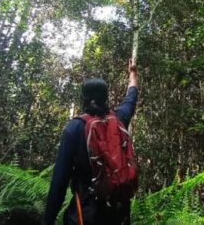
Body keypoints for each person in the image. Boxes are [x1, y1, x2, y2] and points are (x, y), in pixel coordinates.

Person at [43, 60, 139, 225]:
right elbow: (131, 98)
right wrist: (133, 75)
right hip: (119, 213)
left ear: (84, 99)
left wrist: (48, 221)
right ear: (106, 98)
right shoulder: (119, 119)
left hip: (86, 214)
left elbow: (59, 183)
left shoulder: (75, 128)